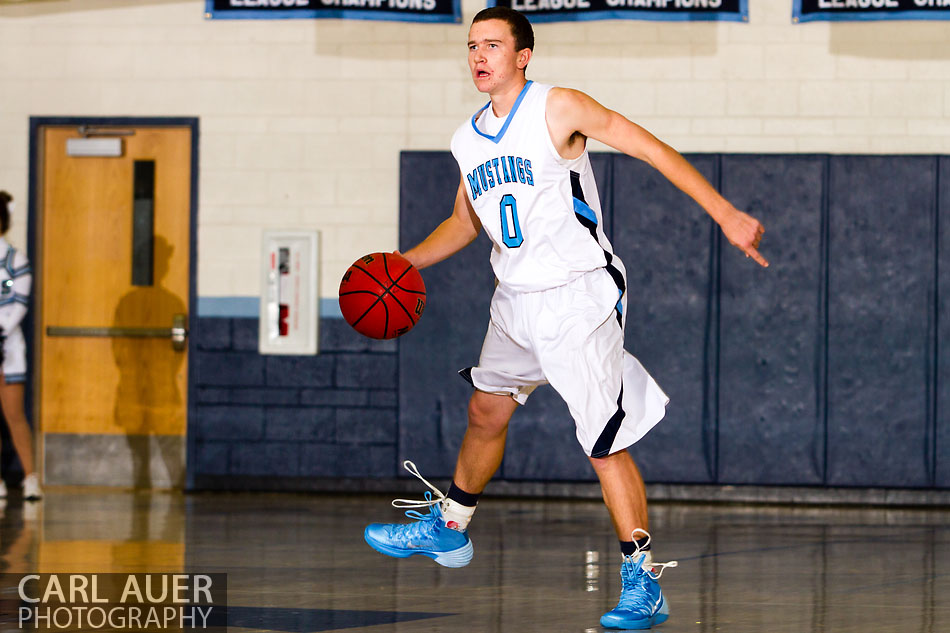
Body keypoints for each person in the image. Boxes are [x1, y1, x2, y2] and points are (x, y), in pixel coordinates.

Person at [364, 7, 767, 630]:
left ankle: (644, 583)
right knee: (486, 409)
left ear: (522, 55)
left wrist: (724, 212)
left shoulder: (560, 107)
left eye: (492, 45)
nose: (479, 55)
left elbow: (649, 148)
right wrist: (403, 263)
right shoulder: (468, 139)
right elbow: (466, 221)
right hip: (515, 298)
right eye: (472, 45)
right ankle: (450, 529)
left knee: (603, 441)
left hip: (579, 294)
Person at [0, 191, 41, 502]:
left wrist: (1, 331)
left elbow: (20, 303)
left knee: (14, 414)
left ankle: (30, 478)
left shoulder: (16, 260)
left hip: (9, 346)